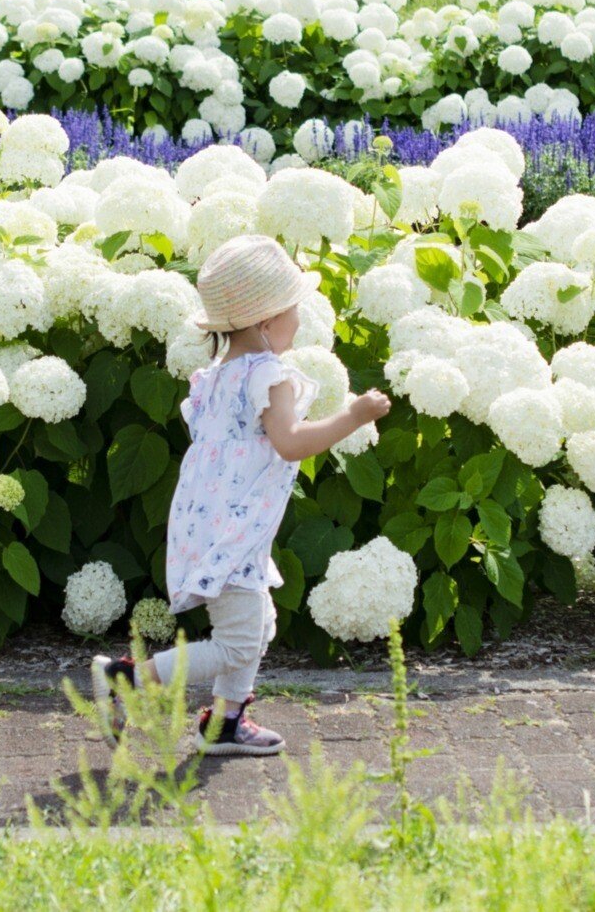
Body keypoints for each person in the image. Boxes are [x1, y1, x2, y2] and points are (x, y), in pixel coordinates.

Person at [91, 235, 391, 756]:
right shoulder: (267, 377)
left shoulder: (216, 377)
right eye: (294, 310)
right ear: (266, 323)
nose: (300, 320)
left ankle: (226, 722)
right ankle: (129, 678)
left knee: (258, 624)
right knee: (237, 640)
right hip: (232, 529)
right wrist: (353, 416)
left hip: (210, 522)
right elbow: (290, 443)